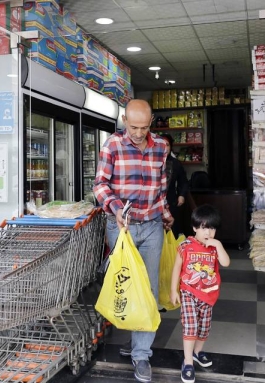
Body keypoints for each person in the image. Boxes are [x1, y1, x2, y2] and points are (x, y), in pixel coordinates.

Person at [93, 98, 173, 383]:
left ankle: (141, 354)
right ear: (124, 120)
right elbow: (100, 185)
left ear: (150, 123)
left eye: (143, 127)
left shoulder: (161, 146)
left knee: (149, 290)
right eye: (133, 126)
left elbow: (161, 186)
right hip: (121, 227)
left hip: (151, 226)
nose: (138, 133)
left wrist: (165, 213)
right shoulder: (112, 145)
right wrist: (115, 209)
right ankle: (132, 337)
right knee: (124, 286)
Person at [170, 204, 230, 383]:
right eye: (204, 227)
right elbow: (176, 268)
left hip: (209, 295)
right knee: (190, 326)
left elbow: (226, 263)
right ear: (195, 228)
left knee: (204, 329)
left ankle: (197, 353)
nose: (208, 233)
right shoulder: (185, 246)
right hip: (188, 292)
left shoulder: (214, 247)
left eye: (212, 228)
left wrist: (218, 245)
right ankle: (188, 362)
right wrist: (174, 290)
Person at [160, 133, 189, 237]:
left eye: (167, 145)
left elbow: (184, 182)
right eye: (161, 144)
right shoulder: (152, 162)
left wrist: (181, 195)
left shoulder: (176, 163)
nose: (164, 148)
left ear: (171, 147)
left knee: (171, 233)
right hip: (154, 205)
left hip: (171, 203)